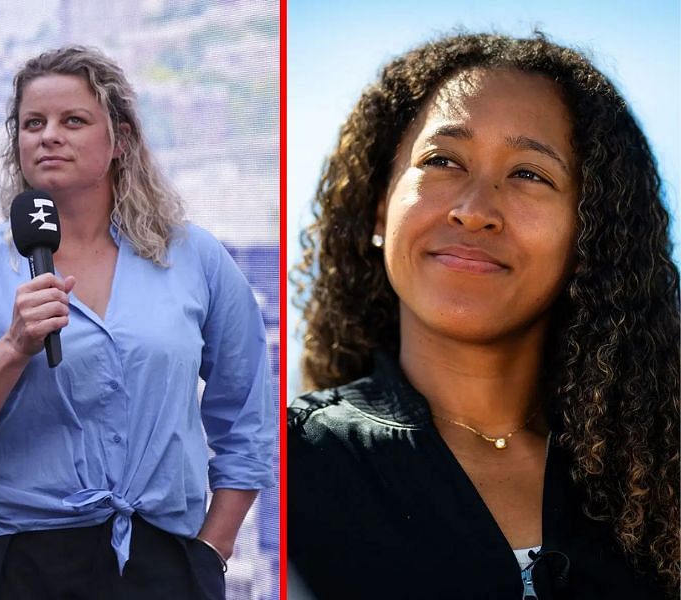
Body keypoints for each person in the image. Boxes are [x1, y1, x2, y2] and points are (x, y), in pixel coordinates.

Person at [288, 32, 679, 599]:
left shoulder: (659, 481)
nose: (474, 211)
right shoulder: (289, 467)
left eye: (529, 174)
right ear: (380, 206)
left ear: (589, 235)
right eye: (442, 160)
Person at [0, 46, 276, 599]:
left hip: (163, 561)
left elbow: (247, 419)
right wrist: (12, 346)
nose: (49, 135)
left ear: (119, 139)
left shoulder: (195, 258)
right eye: (33, 123)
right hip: (18, 565)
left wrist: (210, 551)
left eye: (72, 120)